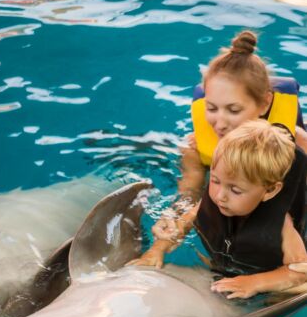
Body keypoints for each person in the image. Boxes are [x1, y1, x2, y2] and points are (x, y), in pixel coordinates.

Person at [153, 30, 307, 242]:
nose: (221, 123)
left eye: (233, 110)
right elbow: (189, 196)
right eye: (212, 108)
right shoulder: (196, 149)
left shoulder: (297, 142)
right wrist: (171, 217)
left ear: (264, 103)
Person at [130, 120, 307, 299]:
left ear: (269, 191)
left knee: (284, 295)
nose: (220, 195)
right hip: (225, 263)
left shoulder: (283, 228)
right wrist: (157, 250)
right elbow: (183, 223)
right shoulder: (215, 199)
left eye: (235, 190)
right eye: (215, 180)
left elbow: (301, 272)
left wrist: (255, 283)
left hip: (262, 273)